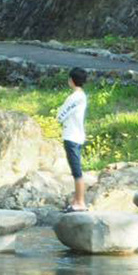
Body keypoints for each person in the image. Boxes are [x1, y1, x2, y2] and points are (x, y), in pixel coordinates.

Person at [58, 67, 89, 212]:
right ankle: (77, 200)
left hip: (72, 136)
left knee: (77, 171)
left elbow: (60, 115)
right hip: (76, 135)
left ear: (71, 80)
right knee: (75, 169)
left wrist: (58, 116)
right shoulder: (81, 96)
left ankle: (80, 202)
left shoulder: (75, 97)